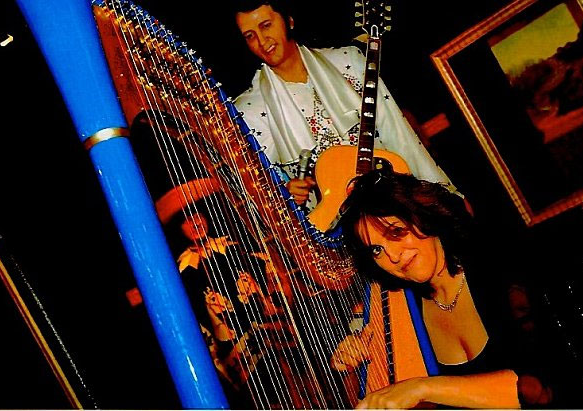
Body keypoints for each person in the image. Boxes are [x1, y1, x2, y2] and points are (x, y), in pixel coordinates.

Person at [334, 167, 552, 409]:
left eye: (396, 231)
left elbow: (539, 391)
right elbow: (373, 400)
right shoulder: (401, 311)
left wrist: (423, 388)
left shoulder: (503, 271)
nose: (393, 256)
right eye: (376, 250)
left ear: (423, 216)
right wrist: (351, 367)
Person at [233, 0, 457, 209]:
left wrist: (444, 194)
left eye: (266, 26)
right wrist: (285, 192)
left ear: (289, 21)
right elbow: (258, 191)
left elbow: (399, 134)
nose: (262, 41)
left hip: (395, 200)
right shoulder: (249, 110)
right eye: (250, 36)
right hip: (333, 226)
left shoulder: (347, 61)